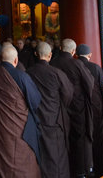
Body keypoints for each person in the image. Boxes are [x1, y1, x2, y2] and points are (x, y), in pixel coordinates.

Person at [0, 43, 42, 178]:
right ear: (15, 61)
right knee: (23, 164)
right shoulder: (22, 77)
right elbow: (35, 100)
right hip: (19, 131)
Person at [27, 41, 72, 178]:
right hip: (54, 120)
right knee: (57, 159)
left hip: (35, 120)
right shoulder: (56, 73)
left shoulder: (28, 73)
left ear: (35, 54)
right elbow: (68, 93)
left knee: (39, 156)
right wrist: (59, 106)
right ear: (50, 55)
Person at [50, 38, 94, 178]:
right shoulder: (76, 63)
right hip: (77, 106)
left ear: (61, 48)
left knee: (61, 138)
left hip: (57, 106)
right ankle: (79, 170)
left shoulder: (53, 62)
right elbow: (89, 83)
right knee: (78, 138)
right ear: (73, 51)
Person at [75, 43, 103, 177]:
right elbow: (102, 89)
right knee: (98, 138)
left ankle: (83, 169)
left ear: (76, 55)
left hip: (78, 109)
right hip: (95, 108)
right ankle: (101, 168)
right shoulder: (95, 68)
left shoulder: (74, 67)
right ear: (90, 55)